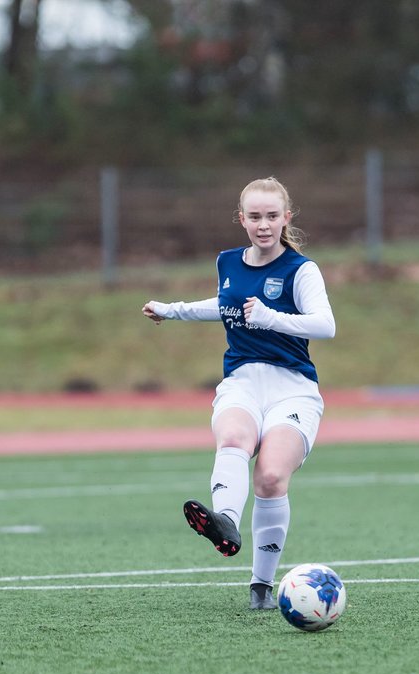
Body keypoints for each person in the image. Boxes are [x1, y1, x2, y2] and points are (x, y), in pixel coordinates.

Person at [142, 177, 336, 610]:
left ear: (286, 218)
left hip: (294, 390)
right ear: (241, 219)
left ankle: (261, 587)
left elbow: (325, 325)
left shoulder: (301, 269)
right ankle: (224, 522)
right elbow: (224, 304)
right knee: (233, 438)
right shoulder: (227, 261)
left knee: (269, 477)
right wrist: (172, 310)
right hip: (242, 382)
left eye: (271, 216)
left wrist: (271, 317)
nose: (263, 225)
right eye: (254, 217)